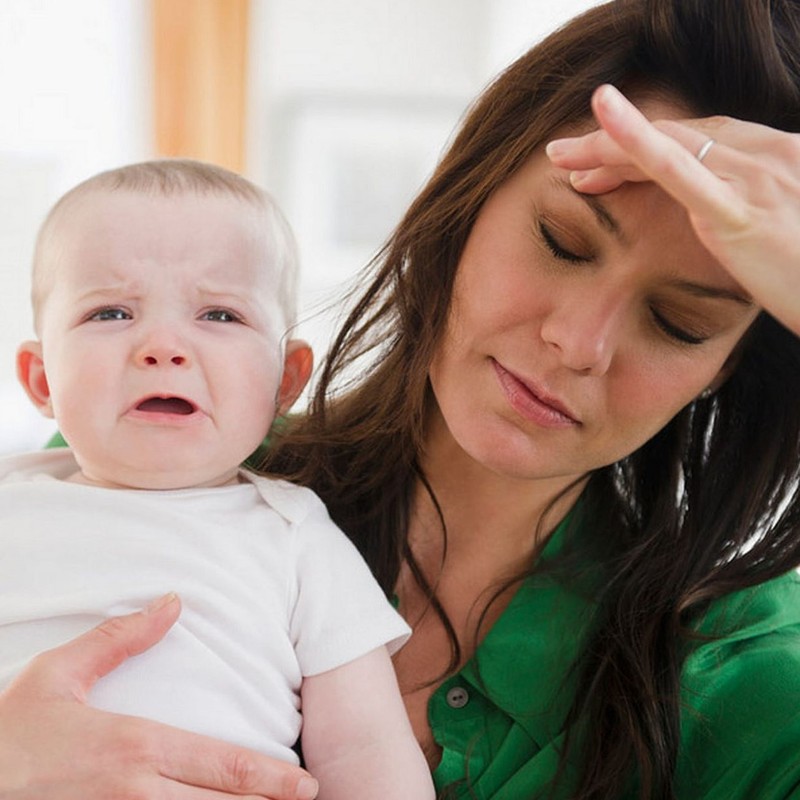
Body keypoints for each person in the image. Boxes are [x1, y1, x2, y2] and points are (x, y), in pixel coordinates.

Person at [2, 0, 800, 797]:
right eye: (562, 242)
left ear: (728, 365)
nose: (578, 343)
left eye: (679, 322)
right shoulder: (123, 472)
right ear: (467, 198)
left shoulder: (751, 685)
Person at [0, 159, 434, 800]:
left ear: (285, 380)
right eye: (112, 313)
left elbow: (365, 750)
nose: (163, 346)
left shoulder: (296, 537)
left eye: (220, 316)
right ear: (42, 380)